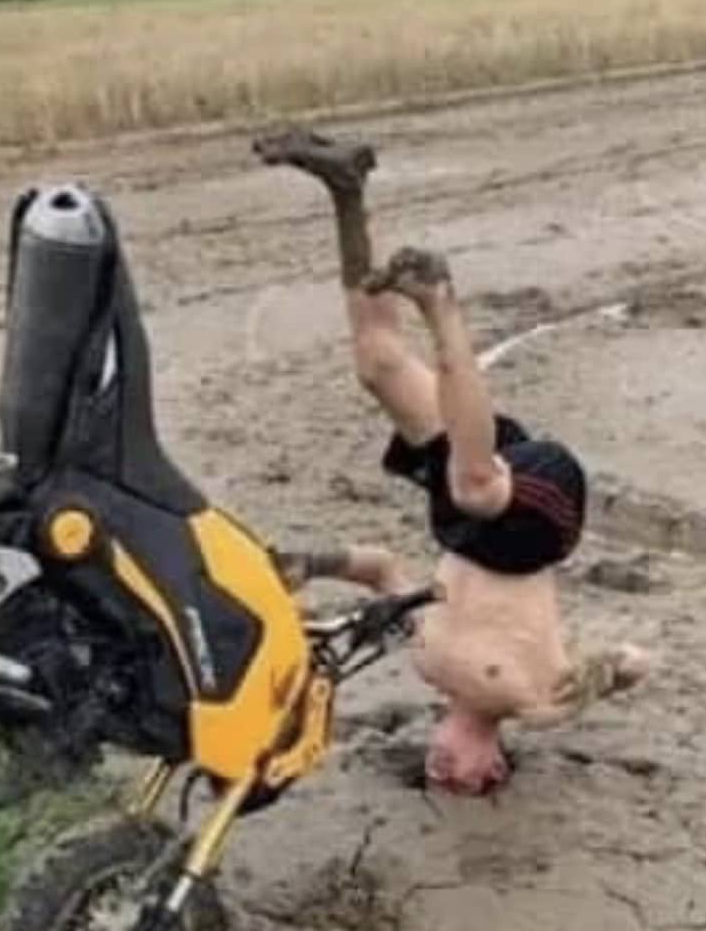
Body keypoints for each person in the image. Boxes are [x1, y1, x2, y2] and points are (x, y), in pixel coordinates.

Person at [254, 128, 650, 797]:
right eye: (464, 782)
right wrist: (600, 674)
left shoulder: (428, 664)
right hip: (536, 522)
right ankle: (440, 301)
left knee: (377, 364)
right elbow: (637, 662)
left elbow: (381, 569)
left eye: (434, 778)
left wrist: (306, 563)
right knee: (475, 486)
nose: (443, 774)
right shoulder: (533, 703)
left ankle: (346, 188)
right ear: (495, 767)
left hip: (467, 518)